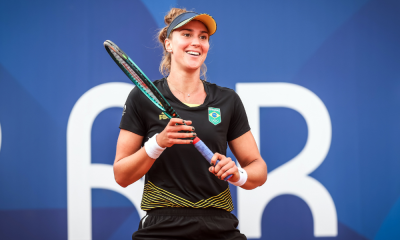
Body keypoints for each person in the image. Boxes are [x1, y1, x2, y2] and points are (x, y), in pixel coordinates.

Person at [113, 8, 267, 240]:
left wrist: (237, 174)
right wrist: (158, 143)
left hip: (219, 226)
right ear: (168, 44)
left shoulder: (227, 100)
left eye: (203, 37)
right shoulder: (141, 97)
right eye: (186, 34)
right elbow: (121, 175)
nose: (196, 42)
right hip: (162, 226)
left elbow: (258, 169)